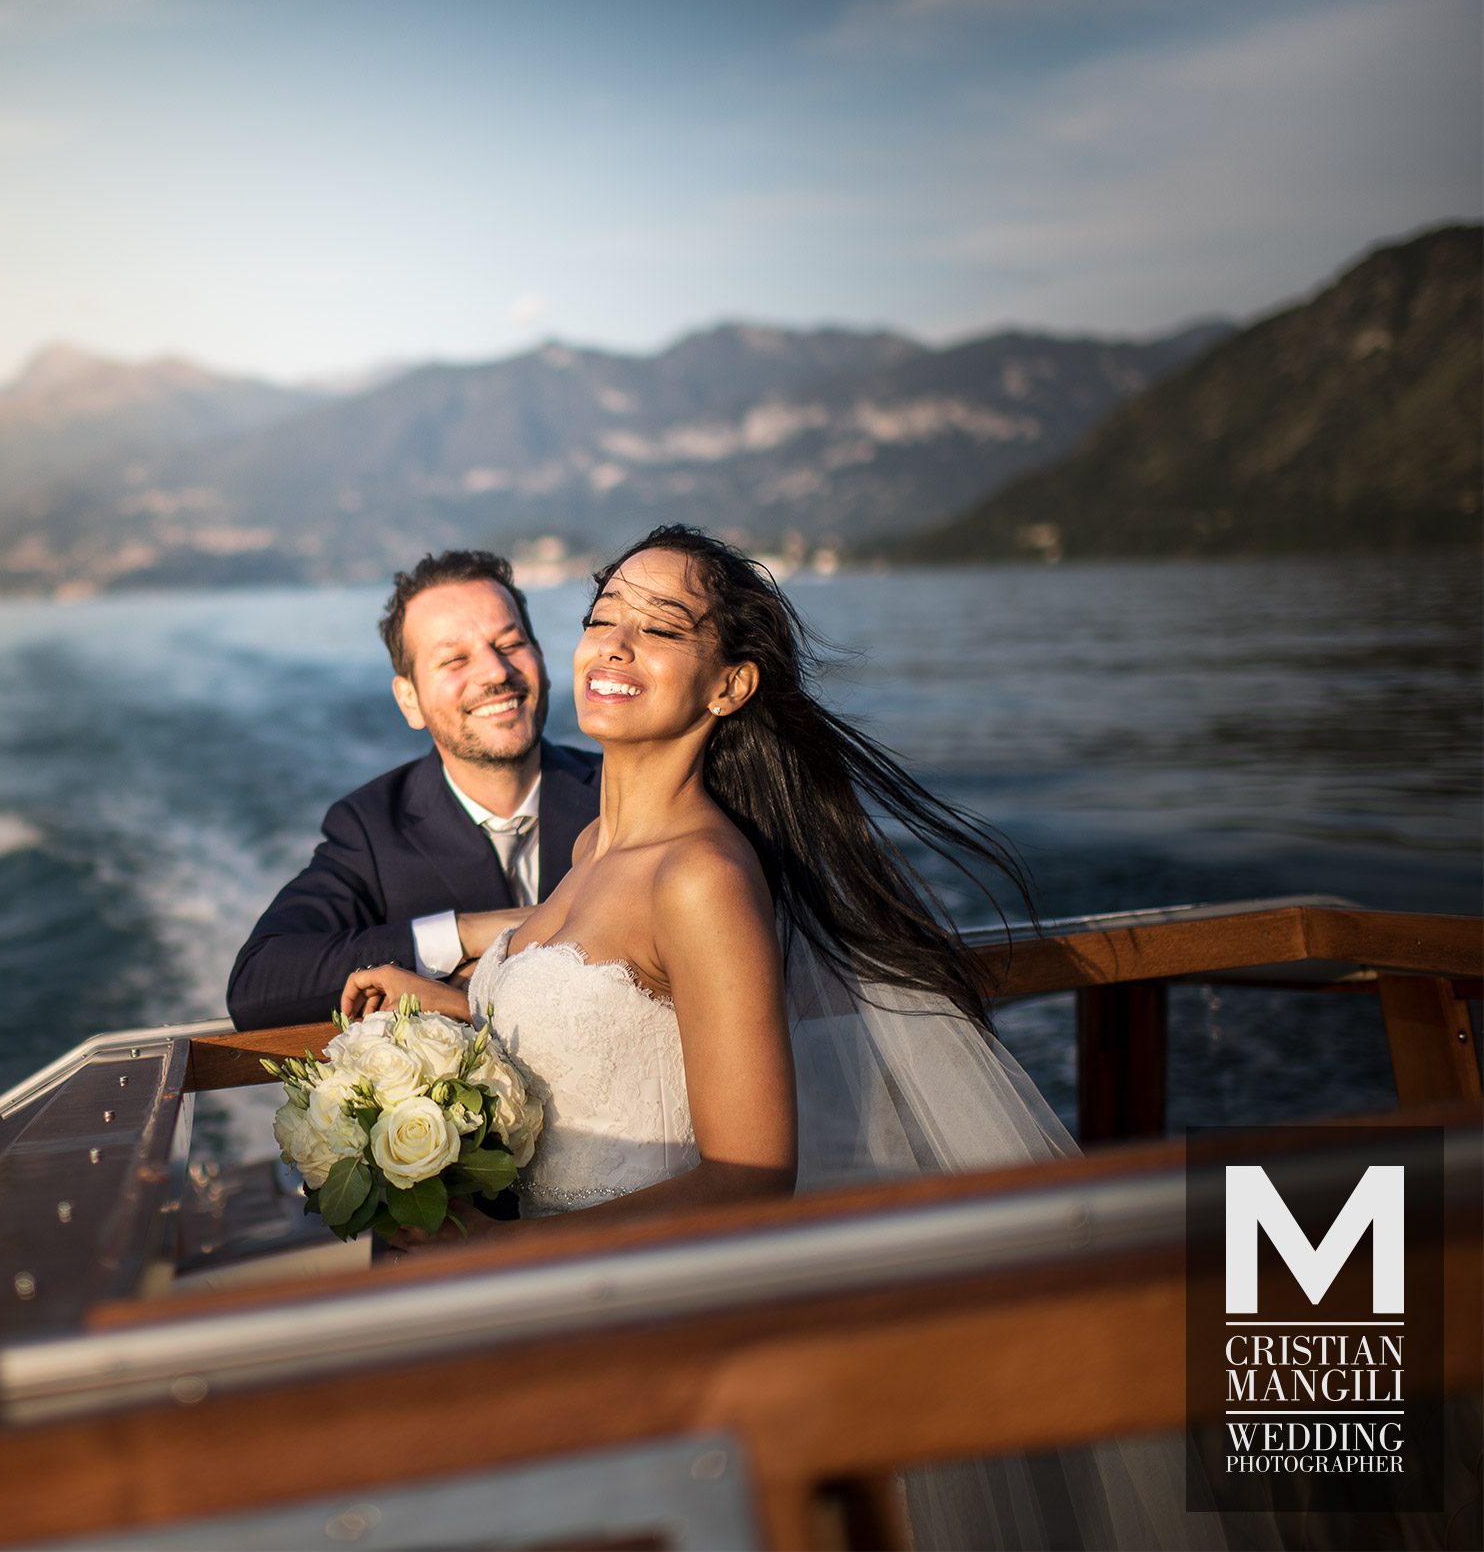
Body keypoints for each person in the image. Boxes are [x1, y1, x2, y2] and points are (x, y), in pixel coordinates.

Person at [336, 525, 1225, 1550]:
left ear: (730, 685)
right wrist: (448, 1010)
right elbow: (600, 1029)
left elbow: (750, 1176)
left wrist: (507, 1250)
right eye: (601, 618)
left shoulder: (702, 877)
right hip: (561, 1303)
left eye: (659, 628)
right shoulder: (589, 847)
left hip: (649, 1318)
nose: (612, 645)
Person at [224, 550, 598, 1033]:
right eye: (455, 659)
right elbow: (258, 982)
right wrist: (468, 933)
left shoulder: (624, 792)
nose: (495, 672)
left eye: (510, 644)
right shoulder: (371, 827)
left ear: (541, 657)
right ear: (410, 701)